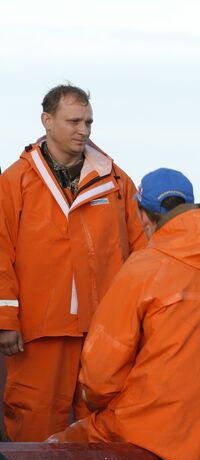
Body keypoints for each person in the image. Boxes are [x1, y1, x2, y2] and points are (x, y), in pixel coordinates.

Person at [49, 169, 200, 460]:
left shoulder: (143, 270)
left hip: (145, 430)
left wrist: (94, 402)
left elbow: (100, 377)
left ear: (143, 215)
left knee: (55, 449)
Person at [0, 84, 147, 441]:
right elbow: (2, 253)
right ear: (47, 120)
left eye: (88, 122)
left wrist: (144, 319)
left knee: (101, 415)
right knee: (33, 412)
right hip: (41, 324)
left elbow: (143, 252)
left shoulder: (116, 181)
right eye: (74, 121)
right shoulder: (15, 180)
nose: (84, 130)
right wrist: (5, 320)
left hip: (105, 325)